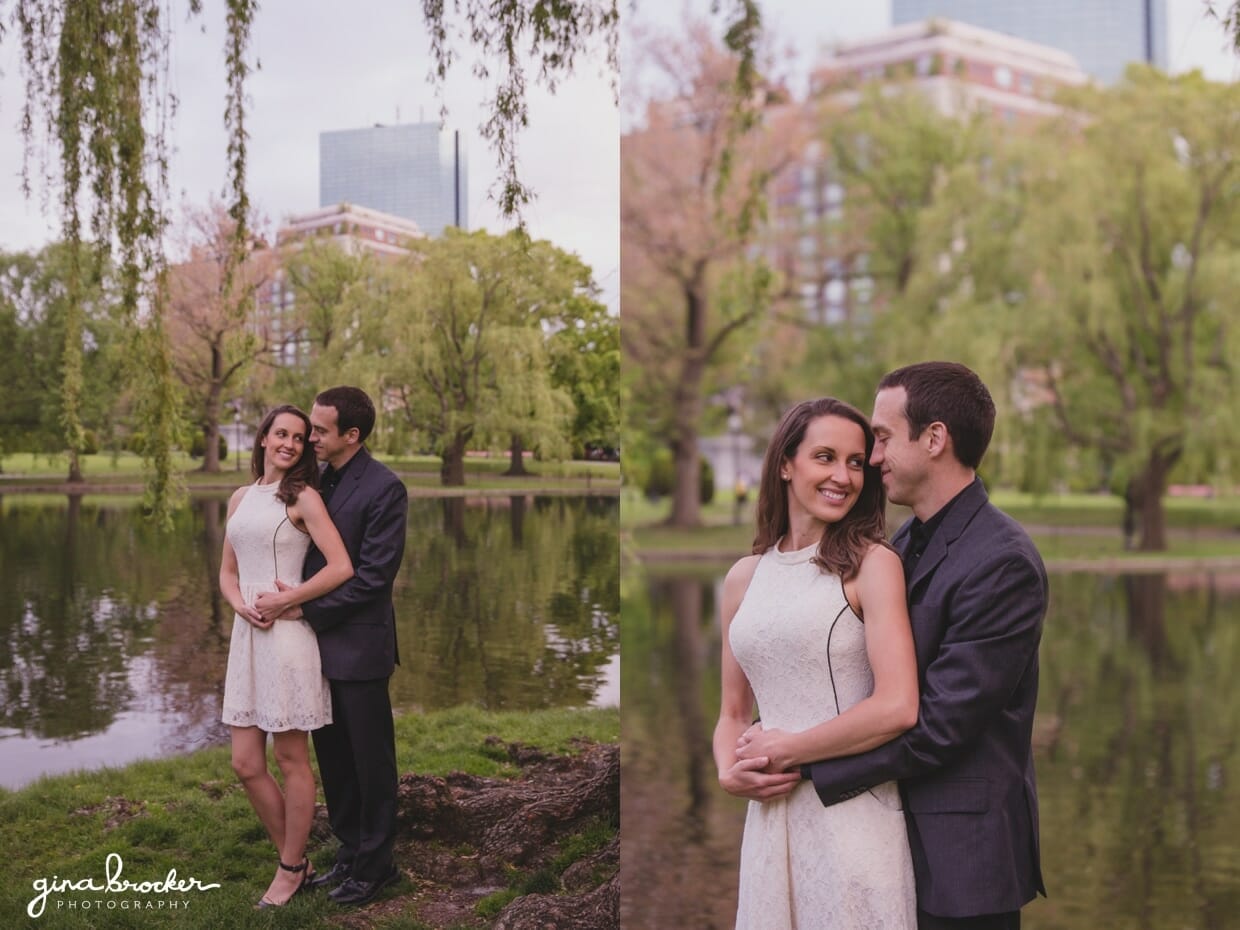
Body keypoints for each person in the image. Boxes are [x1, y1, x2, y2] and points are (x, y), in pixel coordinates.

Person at [741, 362, 1049, 930]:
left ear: (934, 439)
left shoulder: (1003, 562)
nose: (873, 457)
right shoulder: (901, 543)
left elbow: (938, 728)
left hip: (963, 860)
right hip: (880, 834)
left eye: (881, 439)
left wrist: (800, 759)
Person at [714, 397, 920, 929]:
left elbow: (897, 706)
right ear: (786, 463)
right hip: (769, 821)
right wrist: (727, 772)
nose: (843, 476)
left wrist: (786, 749)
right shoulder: (744, 577)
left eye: (856, 462)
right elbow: (733, 713)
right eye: (825, 457)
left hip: (852, 819)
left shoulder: (873, 565)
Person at [256, 386, 409, 907]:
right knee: (336, 761)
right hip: (310, 648)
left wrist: (305, 608)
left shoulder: (386, 488)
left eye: (319, 431)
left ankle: (376, 866)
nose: (310, 438)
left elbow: (373, 577)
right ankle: (348, 853)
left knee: (371, 763)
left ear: (352, 435)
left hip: (359, 648)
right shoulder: (313, 481)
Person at [219, 404, 354, 908]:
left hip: (288, 638)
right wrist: (241, 605)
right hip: (247, 634)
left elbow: (340, 566)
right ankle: (295, 859)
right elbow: (228, 573)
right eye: (281, 433)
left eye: (299, 438)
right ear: (263, 439)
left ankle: (289, 868)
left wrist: (287, 599)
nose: (290, 444)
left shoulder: (304, 498)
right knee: (245, 762)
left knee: (290, 756)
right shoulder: (239, 497)